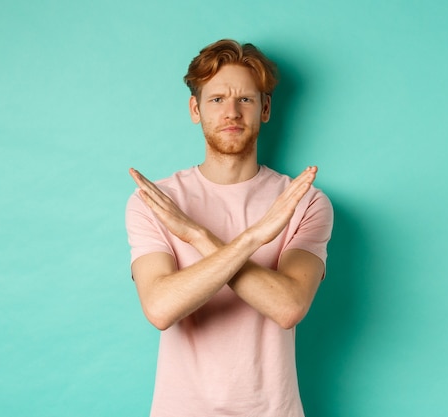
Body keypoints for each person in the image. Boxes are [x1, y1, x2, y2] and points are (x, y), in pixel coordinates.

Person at [125, 39, 334, 417]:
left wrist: (198, 236)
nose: (231, 112)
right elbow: (159, 308)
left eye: (246, 100)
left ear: (265, 108)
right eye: (217, 99)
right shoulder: (156, 201)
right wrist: (253, 238)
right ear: (195, 109)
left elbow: (288, 307)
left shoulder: (304, 200)